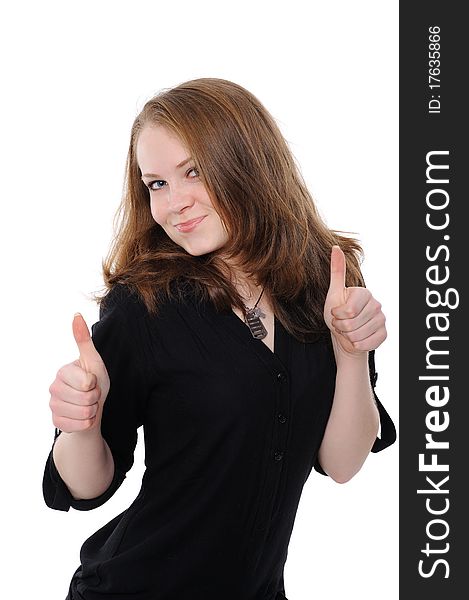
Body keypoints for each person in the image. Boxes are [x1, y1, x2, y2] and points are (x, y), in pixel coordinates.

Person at [43, 77, 396, 600]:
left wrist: (351, 355)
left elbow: (342, 464)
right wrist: (79, 425)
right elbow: (86, 485)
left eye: (194, 171)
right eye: (156, 183)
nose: (174, 203)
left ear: (247, 161)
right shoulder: (144, 305)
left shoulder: (327, 285)